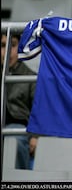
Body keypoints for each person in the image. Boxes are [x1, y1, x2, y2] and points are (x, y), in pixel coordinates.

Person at [1, 34, 36, 169]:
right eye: (3, 46)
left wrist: (36, 137)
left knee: (13, 140)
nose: (7, 52)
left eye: (13, 45)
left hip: (18, 129)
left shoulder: (31, 77)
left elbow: (39, 111)